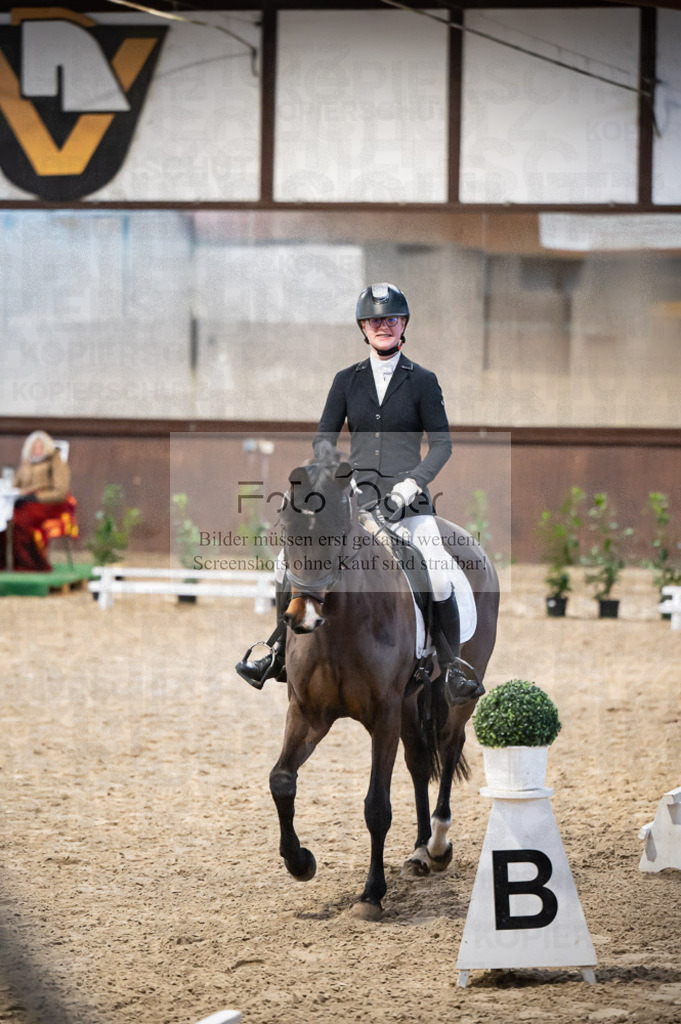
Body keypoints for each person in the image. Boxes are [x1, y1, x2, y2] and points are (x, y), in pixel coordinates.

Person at [236, 283, 482, 705]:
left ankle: (452, 666)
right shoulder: (345, 380)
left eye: (391, 319)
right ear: (363, 328)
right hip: (355, 498)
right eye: (374, 321)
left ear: (403, 325)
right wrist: (338, 476)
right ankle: (276, 650)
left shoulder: (423, 381)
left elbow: (442, 445)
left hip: (409, 503)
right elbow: (323, 440)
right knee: (285, 563)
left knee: (439, 571)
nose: (382, 326)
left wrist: (411, 484)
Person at [10, 430, 75, 572]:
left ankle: (31, 563)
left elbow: (60, 492)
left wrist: (36, 497)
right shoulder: (26, 465)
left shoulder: (56, 463)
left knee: (21, 521)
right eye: (34, 447)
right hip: (26, 501)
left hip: (47, 503)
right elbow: (15, 485)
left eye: (40, 446)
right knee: (7, 518)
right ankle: (8, 560)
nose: (37, 450)